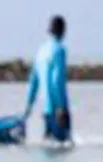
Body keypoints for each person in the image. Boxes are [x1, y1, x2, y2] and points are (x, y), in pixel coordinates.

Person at [23, 15, 72, 145]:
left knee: (49, 150)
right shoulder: (60, 50)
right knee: (64, 151)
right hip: (58, 109)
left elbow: (33, 84)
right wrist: (61, 107)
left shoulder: (41, 51)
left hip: (45, 111)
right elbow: (57, 80)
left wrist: (27, 109)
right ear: (63, 30)